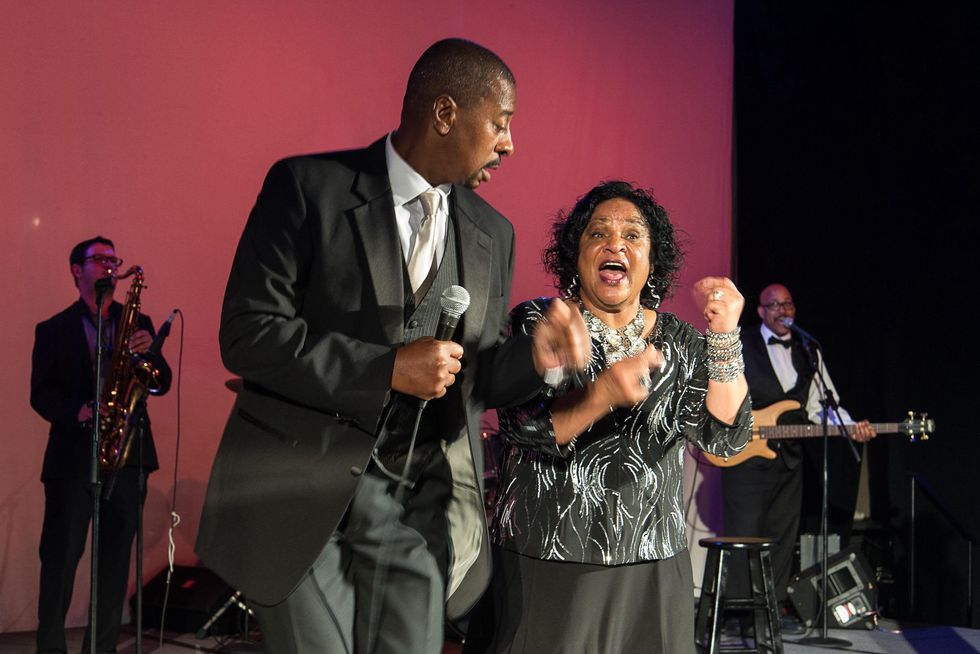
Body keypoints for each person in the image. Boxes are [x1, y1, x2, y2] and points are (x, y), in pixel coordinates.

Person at [195, 39, 589, 654]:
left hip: (412, 512)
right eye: (501, 123)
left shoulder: (493, 233)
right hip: (298, 497)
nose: (509, 143)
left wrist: (534, 360)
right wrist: (384, 369)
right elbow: (248, 333)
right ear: (444, 114)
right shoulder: (308, 188)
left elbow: (474, 380)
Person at [463, 181, 753, 654]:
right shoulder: (540, 323)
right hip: (547, 561)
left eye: (633, 235)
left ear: (652, 262)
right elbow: (524, 429)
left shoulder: (679, 340)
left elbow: (726, 438)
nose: (615, 243)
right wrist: (601, 395)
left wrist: (723, 337)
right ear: (574, 256)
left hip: (653, 569)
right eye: (597, 234)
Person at [30, 235, 172, 654]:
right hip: (73, 458)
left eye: (115, 258)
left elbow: (159, 384)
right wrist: (81, 411)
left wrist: (150, 358)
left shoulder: (138, 323)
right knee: (60, 560)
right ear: (77, 270)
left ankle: (102, 649)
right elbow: (41, 394)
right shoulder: (52, 330)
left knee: (112, 568)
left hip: (126, 458)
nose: (111, 265)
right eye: (101, 259)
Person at [720, 282, 875, 627]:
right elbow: (721, 395)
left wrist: (850, 426)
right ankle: (740, 613)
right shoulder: (741, 344)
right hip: (746, 456)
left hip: (790, 458)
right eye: (774, 305)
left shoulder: (809, 352)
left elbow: (824, 404)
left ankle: (770, 610)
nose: (782, 310)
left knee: (780, 537)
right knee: (745, 535)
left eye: (788, 304)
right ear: (760, 312)